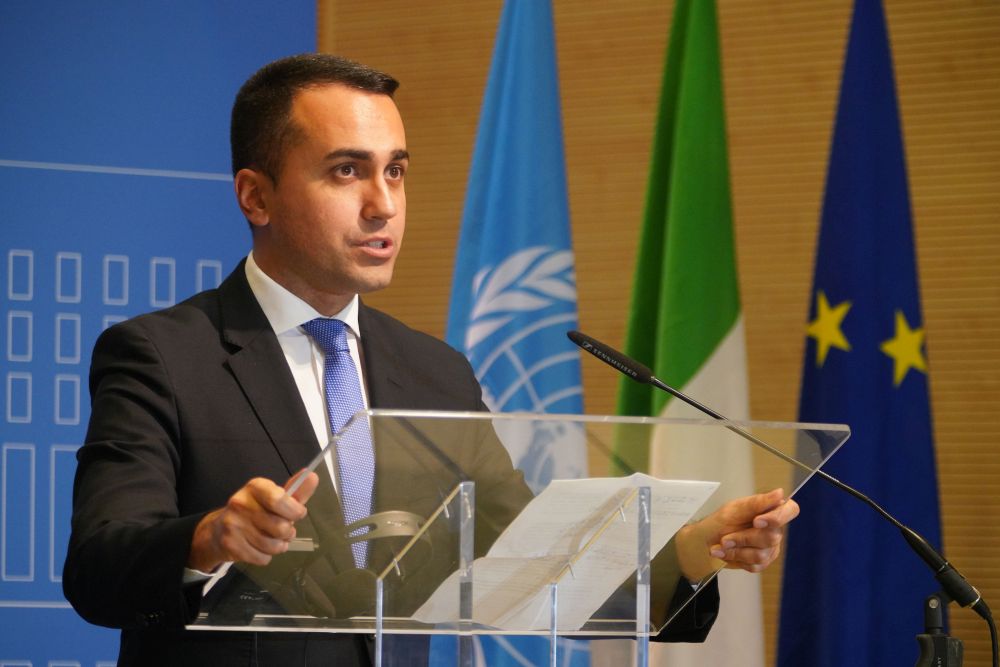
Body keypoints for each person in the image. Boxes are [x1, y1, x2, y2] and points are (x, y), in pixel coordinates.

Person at [63, 53, 799, 666]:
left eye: (396, 170)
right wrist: (209, 537)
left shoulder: (435, 373)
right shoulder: (162, 356)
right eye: (347, 171)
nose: (383, 205)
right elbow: (98, 567)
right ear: (256, 197)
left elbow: (529, 566)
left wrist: (692, 551)